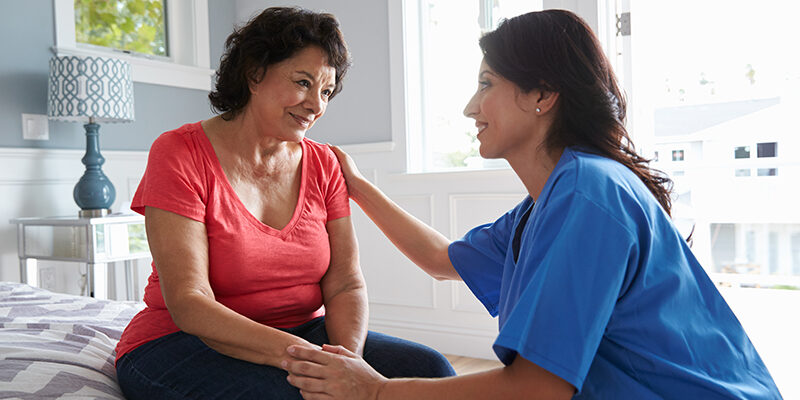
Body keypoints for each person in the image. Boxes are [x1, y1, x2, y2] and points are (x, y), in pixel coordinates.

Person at [283, 9, 783, 400]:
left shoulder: (590, 194)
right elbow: (441, 259)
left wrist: (377, 391)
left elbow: (536, 389)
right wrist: (358, 184)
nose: (470, 107)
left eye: (486, 84)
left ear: (542, 93)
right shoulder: (547, 203)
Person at [114, 7, 454, 399]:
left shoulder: (324, 163)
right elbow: (190, 302)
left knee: (431, 370)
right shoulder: (178, 152)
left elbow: (344, 282)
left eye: (326, 91)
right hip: (180, 343)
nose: (316, 105)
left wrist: (347, 363)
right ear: (255, 73)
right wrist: (309, 362)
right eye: (303, 82)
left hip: (303, 332)